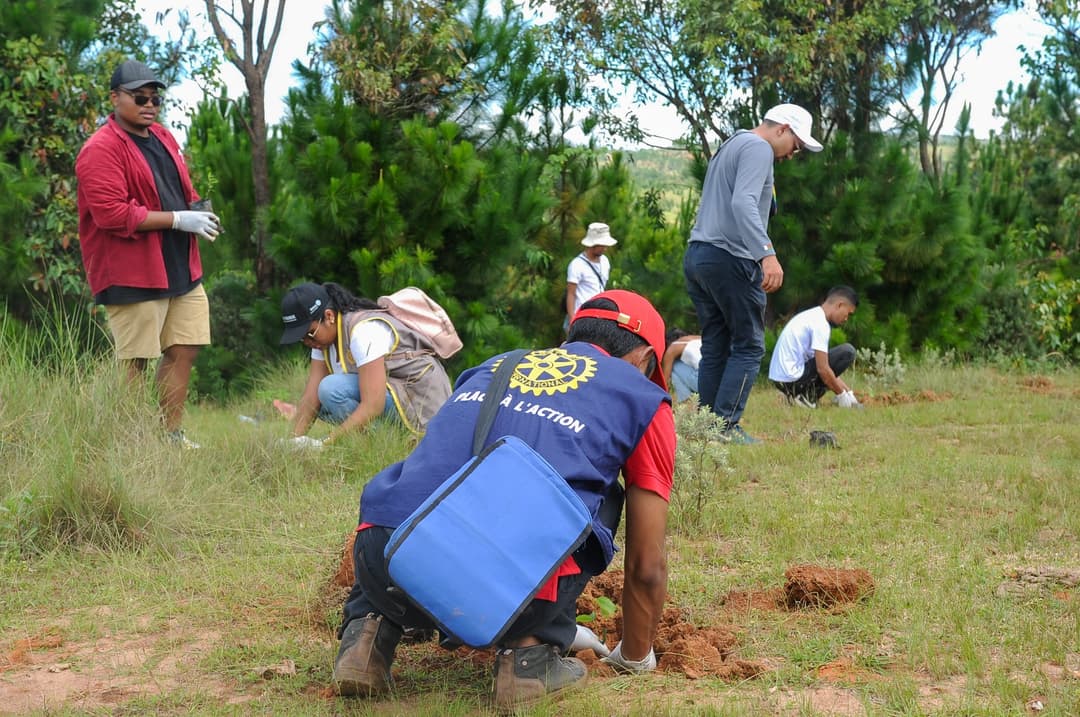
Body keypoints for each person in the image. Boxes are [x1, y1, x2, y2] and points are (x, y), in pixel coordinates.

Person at [333, 290, 675, 708]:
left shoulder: (494, 365)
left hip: (383, 558)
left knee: (428, 482)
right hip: (504, 587)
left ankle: (366, 637)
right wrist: (636, 657)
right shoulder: (643, 399)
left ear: (572, 336)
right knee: (601, 497)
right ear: (644, 358)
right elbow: (646, 564)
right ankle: (529, 658)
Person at [76, 59, 222, 449]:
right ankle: (129, 444)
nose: (150, 104)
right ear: (115, 98)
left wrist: (196, 211)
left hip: (181, 266)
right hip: (133, 272)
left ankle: (169, 436)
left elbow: (174, 190)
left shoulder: (162, 136)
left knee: (184, 348)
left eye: (155, 97)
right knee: (135, 361)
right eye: (139, 96)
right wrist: (177, 219)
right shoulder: (99, 149)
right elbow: (112, 214)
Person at [683, 103, 823, 444]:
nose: (793, 154)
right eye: (797, 145)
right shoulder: (759, 148)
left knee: (716, 343)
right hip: (730, 257)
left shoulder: (732, 143)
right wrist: (767, 255)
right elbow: (743, 203)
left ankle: (706, 427)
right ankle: (725, 428)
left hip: (699, 254)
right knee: (748, 345)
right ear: (782, 129)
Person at [278, 282, 452, 445]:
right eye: (301, 339)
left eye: (309, 333)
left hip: (421, 401)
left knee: (331, 389)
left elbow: (373, 404)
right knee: (319, 401)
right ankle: (375, 443)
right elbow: (310, 397)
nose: (307, 342)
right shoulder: (321, 341)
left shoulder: (363, 332)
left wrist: (325, 444)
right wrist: (292, 443)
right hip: (395, 396)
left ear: (329, 316)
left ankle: (385, 445)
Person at [768, 286, 861, 409]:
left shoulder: (812, 316)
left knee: (830, 365)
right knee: (847, 352)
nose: (846, 319)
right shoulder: (820, 324)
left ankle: (798, 396)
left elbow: (825, 366)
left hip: (783, 380)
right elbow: (823, 369)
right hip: (792, 379)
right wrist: (841, 395)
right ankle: (804, 397)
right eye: (848, 313)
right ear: (840, 305)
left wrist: (848, 392)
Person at [564, 222, 617, 331]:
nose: (605, 248)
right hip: (581, 315)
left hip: (598, 314)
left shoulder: (605, 261)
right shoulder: (577, 265)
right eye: (602, 245)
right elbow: (571, 294)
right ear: (593, 244)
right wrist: (572, 319)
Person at [662, 328, 702, 402]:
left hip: (705, 379)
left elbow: (664, 381)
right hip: (722, 376)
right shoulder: (697, 338)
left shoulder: (673, 347)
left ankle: (687, 403)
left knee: (673, 367)